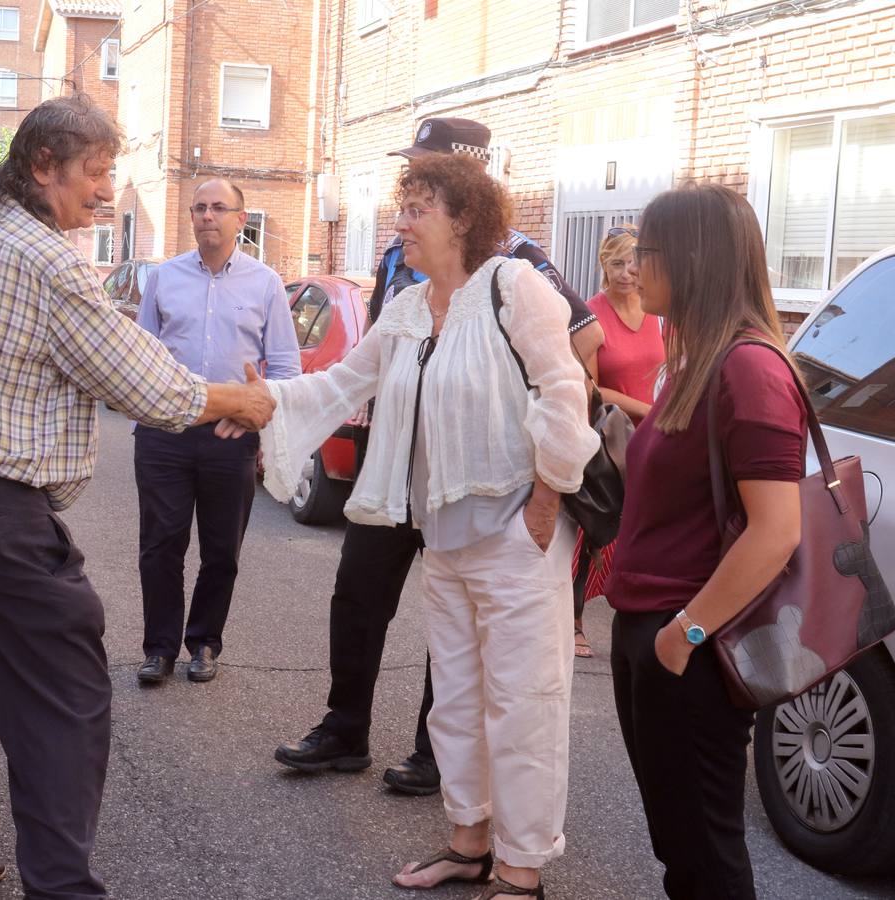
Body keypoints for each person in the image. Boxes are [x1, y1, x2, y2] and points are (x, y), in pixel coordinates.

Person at [0, 94, 275, 900]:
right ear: (43, 166)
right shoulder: (46, 258)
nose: (104, 191)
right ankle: (61, 887)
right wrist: (239, 401)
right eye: (96, 173)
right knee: (65, 698)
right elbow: (142, 378)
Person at [256, 152, 597, 900]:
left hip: (516, 536)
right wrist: (261, 403)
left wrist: (542, 508)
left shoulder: (516, 287)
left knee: (524, 703)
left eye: (417, 207)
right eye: (401, 206)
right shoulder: (408, 307)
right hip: (443, 539)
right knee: (460, 704)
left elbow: (565, 394)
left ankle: (521, 870)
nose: (400, 222)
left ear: (464, 218)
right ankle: (469, 845)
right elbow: (342, 382)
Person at [607, 183, 805, 899]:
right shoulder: (696, 361)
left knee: (705, 858)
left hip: (689, 643)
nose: (633, 268)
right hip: (651, 628)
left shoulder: (749, 367)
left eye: (647, 252)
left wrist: (682, 635)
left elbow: (778, 530)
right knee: (682, 850)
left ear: (692, 258)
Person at [134, 178, 300, 686]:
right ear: (191, 218)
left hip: (230, 437)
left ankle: (205, 642)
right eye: (200, 208)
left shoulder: (266, 283)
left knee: (222, 547)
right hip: (166, 431)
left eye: (218, 208)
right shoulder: (164, 278)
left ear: (240, 220)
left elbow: (287, 370)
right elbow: (140, 355)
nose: (208, 216)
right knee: (161, 542)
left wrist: (256, 421)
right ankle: (159, 648)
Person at [570, 223, 665, 658]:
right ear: (603, 266)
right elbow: (589, 386)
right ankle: (572, 620)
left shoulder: (657, 312)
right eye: (617, 263)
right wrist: (646, 411)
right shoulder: (591, 314)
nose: (627, 273)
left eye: (634, 263)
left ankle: (641, 615)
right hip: (607, 435)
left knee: (646, 528)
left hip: (651, 437)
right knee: (597, 526)